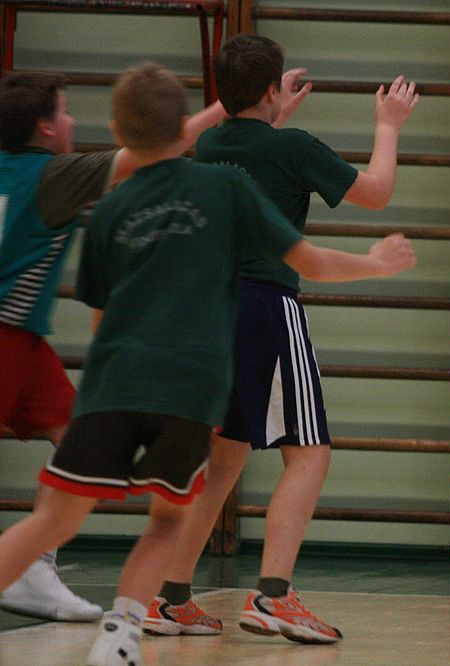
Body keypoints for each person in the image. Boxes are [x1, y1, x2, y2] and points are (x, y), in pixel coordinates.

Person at [0, 62, 414, 666]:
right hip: (206, 365)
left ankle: (165, 600)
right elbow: (333, 233)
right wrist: (377, 255)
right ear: (183, 129)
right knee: (279, 466)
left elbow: (100, 314)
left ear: (118, 130)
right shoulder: (230, 185)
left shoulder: (121, 202)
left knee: (74, 513)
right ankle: (242, 601)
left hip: (117, 377)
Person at [141, 34, 419, 644]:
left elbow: (250, 152)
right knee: (309, 453)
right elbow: (376, 192)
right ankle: (273, 595)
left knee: (225, 458)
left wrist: (270, 113)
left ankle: (171, 598)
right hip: (266, 306)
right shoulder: (292, 147)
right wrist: (388, 124)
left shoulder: (209, 145)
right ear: (272, 89)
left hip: (209, 312)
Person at [0, 71, 225, 623]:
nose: (72, 120)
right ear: (44, 127)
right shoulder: (53, 175)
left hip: (24, 340)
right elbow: (155, 148)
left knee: (74, 437)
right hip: (5, 335)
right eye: (64, 111)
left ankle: (33, 567)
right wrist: (229, 106)